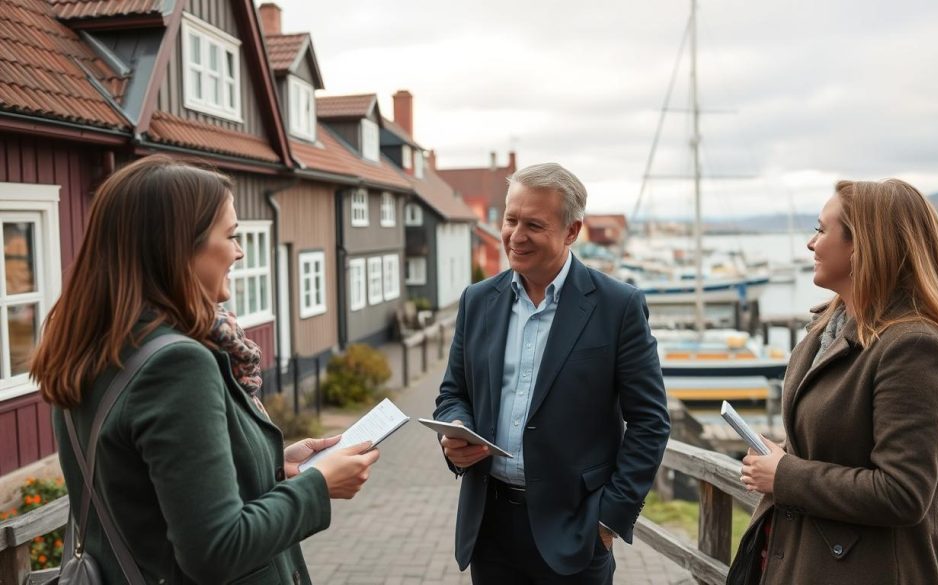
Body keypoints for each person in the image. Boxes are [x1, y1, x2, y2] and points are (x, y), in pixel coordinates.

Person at [30, 155, 380, 584]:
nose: (240, 250)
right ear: (178, 246)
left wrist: (270, 465)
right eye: (231, 235)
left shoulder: (92, 345)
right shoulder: (177, 363)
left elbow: (147, 490)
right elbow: (216, 550)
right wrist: (318, 486)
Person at [730, 179, 938, 585]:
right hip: (804, 563)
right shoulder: (829, 327)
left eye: (820, 230)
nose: (810, 245)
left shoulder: (915, 347)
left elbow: (902, 492)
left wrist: (785, 475)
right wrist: (781, 458)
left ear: (863, 245)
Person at [433, 162, 671, 584]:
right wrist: (456, 431)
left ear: (571, 231)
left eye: (534, 225)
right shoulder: (477, 300)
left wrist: (609, 519)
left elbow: (650, 423)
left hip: (577, 534)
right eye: (510, 219)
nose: (515, 235)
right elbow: (454, 393)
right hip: (487, 528)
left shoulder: (618, 307)